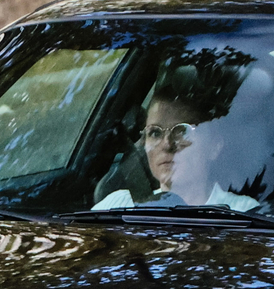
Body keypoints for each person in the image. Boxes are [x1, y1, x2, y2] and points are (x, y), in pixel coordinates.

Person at [93, 72, 261, 211]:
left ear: (214, 146)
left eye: (182, 132)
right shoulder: (117, 206)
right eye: (155, 133)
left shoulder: (243, 212)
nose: (166, 144)